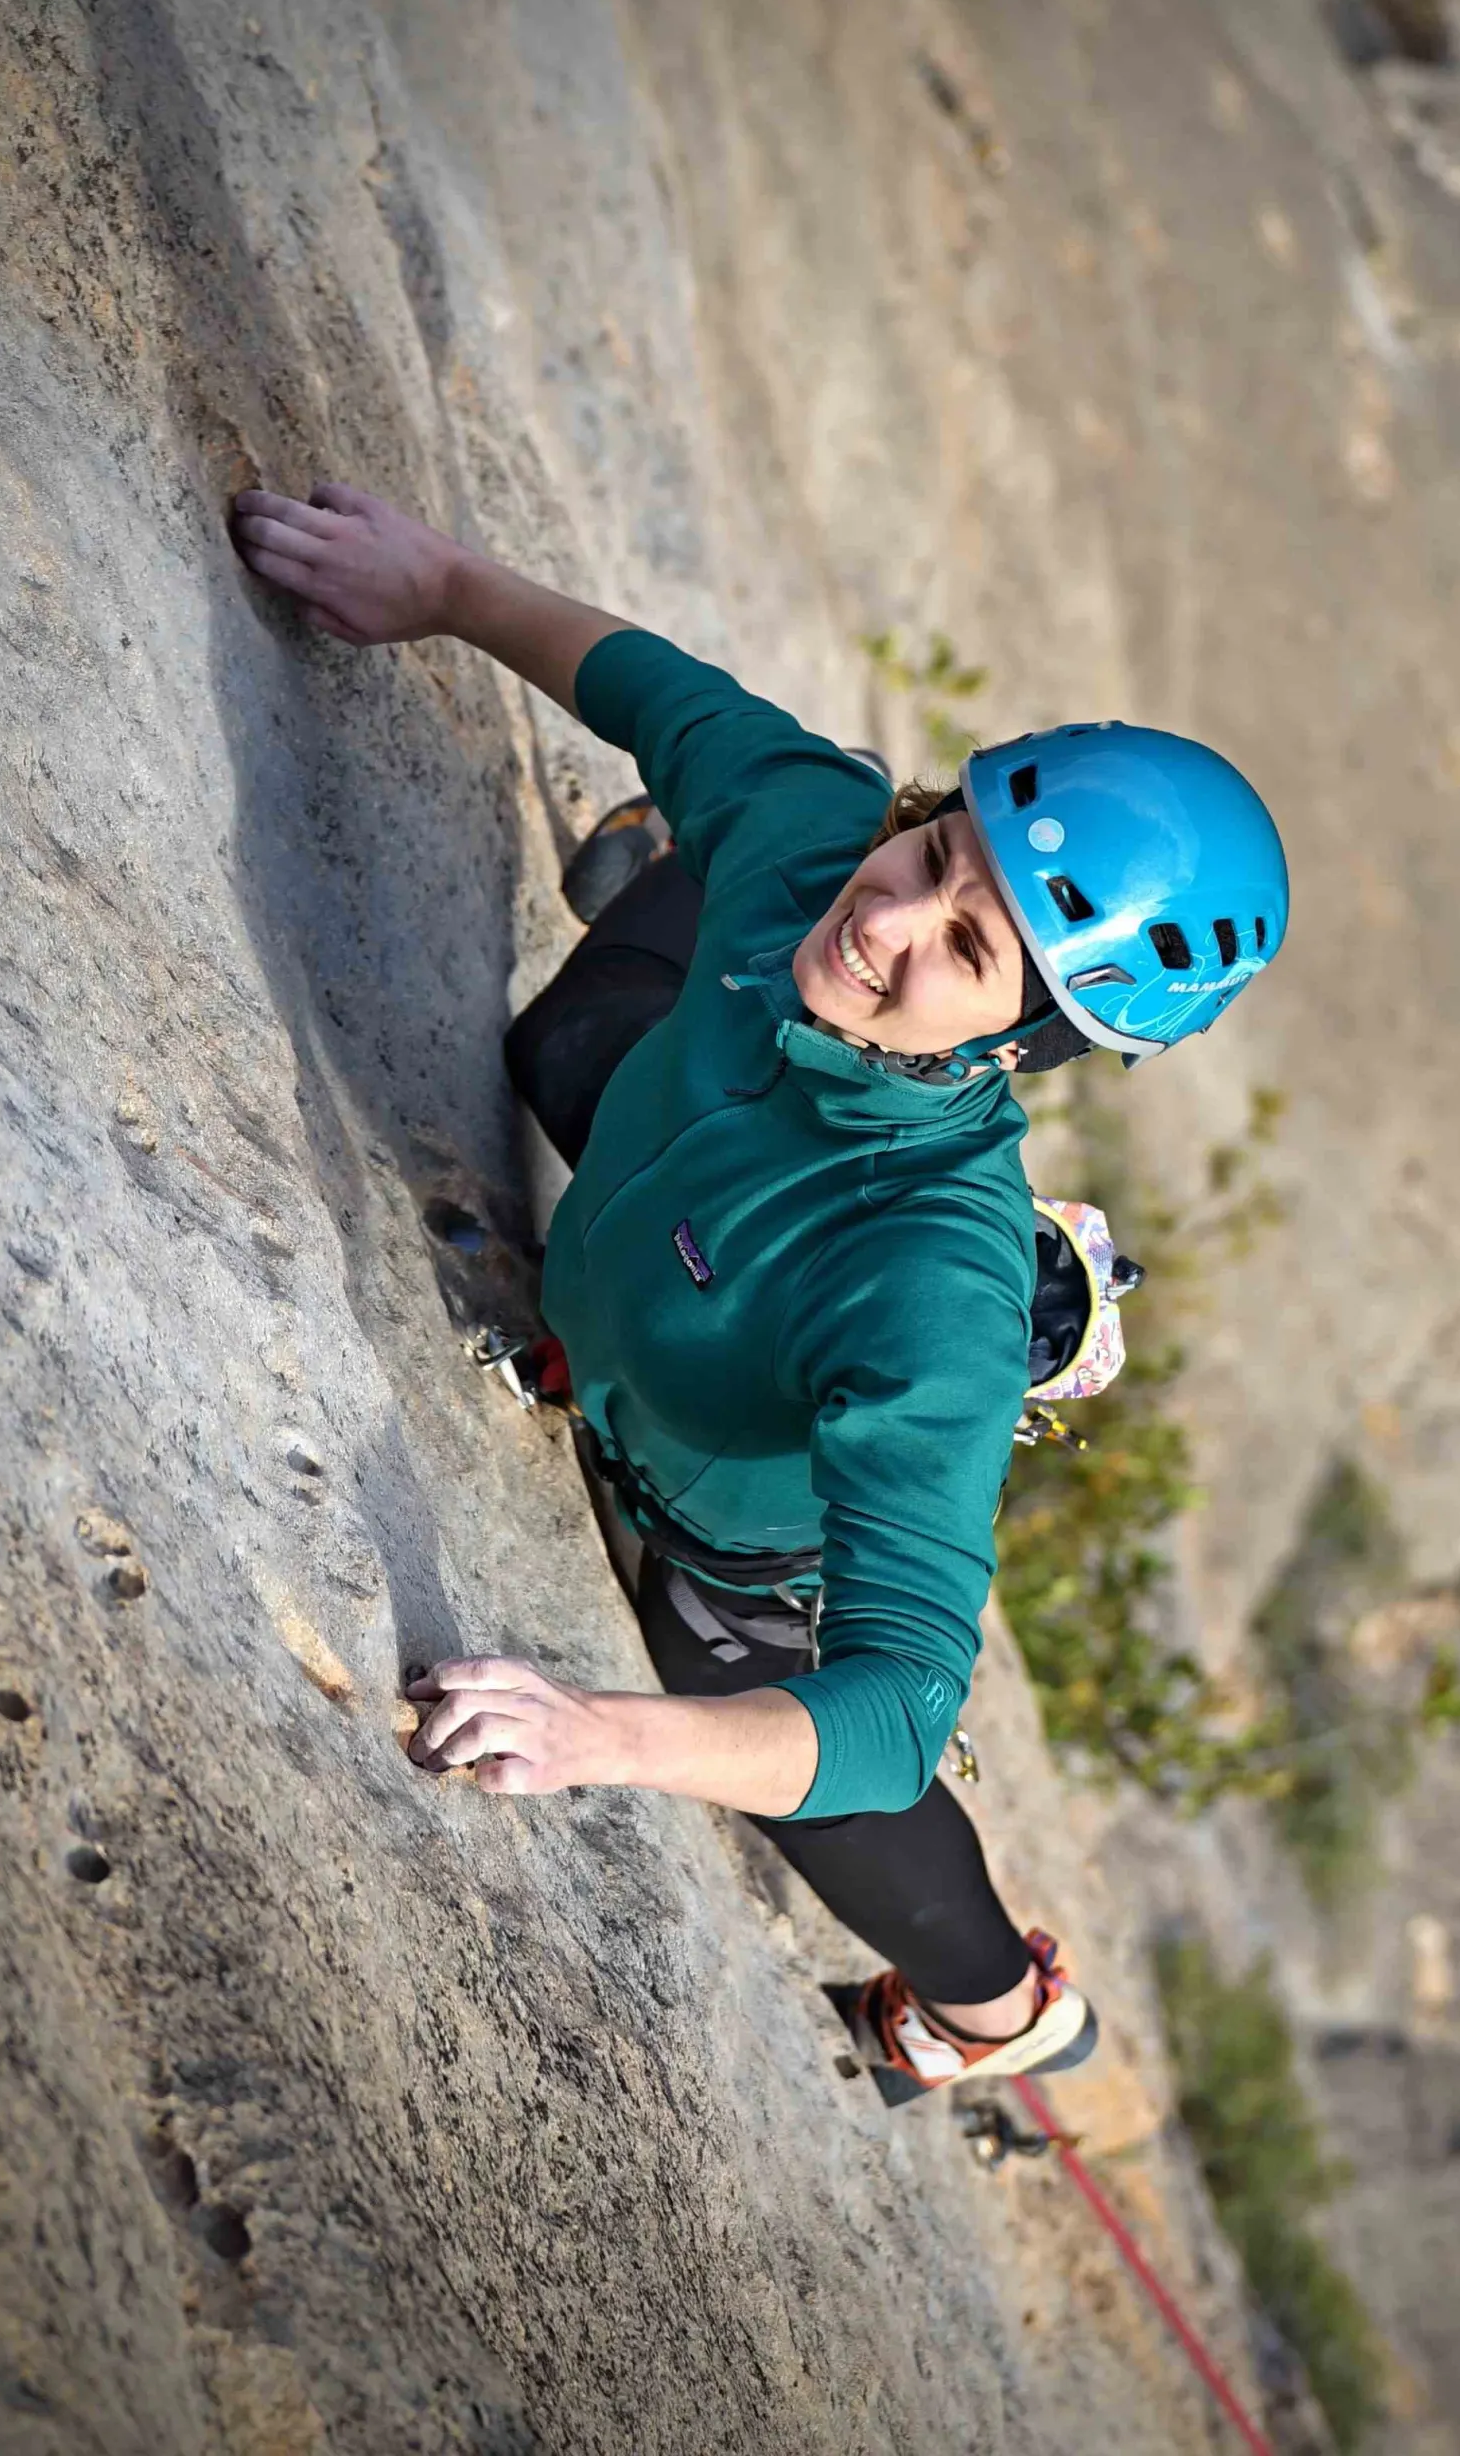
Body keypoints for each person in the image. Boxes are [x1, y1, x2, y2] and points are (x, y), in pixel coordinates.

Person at [225, 479, 1288, 2094]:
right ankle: (669, 872)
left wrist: (599, 1736)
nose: (894, 916)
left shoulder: (922, 1283)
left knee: (726, 1672)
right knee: (574, 1036)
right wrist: (434, 581)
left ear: (1022, 1043)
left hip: (730, 1501)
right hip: (668, 1202)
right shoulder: (825, 848)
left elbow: (896, 1708)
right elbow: (667, 695)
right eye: (937, 850)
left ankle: (1003, 2019)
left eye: (972, 945)